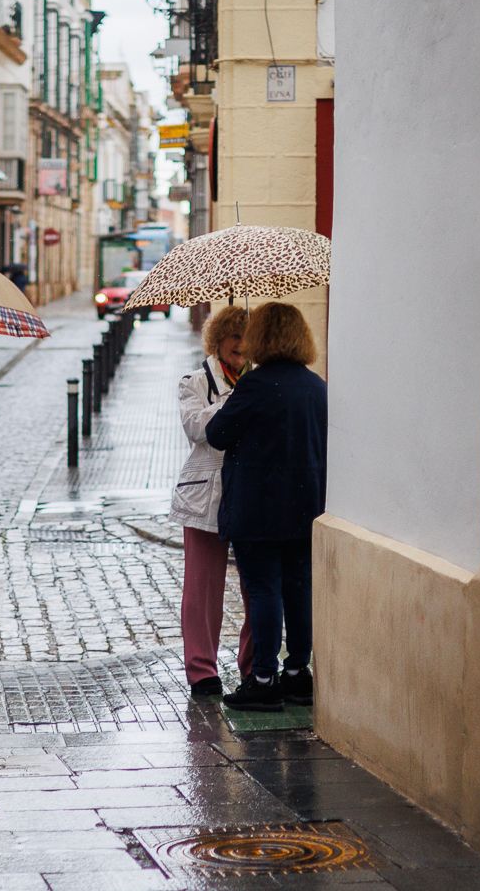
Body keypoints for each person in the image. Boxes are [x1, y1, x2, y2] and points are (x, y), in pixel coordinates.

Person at [206, 302, 328, 712]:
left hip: (258, 508)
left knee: (263, 591)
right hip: (306, 504)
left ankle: (263, 679)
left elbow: (217, 434)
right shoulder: (316, 386)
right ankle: (297, 673)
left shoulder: (256, 385)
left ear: (262, 338)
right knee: (298, 589)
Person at [170, 305, 253, 698]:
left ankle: (253, 665)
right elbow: (196, 427)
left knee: (257, 585)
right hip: (206, 492)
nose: (240, 348)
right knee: (202, 587)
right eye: (234, 339)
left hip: (252, 492)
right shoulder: (195, 381)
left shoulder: (258, 380)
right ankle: (202, 669)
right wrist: (236, 402)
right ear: (217, 341)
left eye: (246, 340)